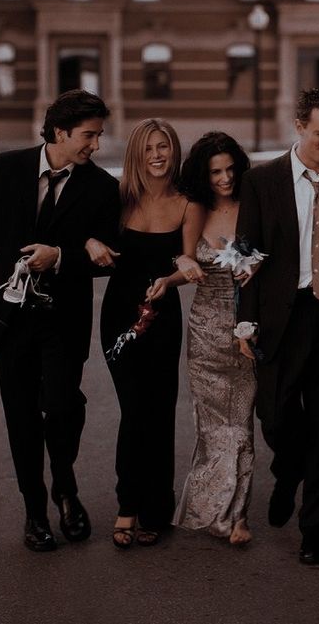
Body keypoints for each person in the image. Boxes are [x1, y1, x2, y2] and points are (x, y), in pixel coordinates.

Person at [0, 89, 120, 552]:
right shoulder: (8, 167)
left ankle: (65, 485)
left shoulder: (103, 188)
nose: (95, 145)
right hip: (11, 319)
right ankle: (35, 511)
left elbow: (109, 259)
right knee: (22, 416)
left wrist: (64, 255)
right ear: (60, 131)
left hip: (64, 320)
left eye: (99, 136)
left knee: (65, 406)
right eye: (89, 136)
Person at [236, 87, 319, 566]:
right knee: (277, 415)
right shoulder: (261, 180)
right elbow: (244, 250)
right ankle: (289, 471)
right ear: (300, 126)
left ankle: (316, 530)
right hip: (282, 315)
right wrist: (244, 318)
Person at [90, 118, 204, 549]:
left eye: (165, 147)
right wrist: (88, 244)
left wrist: (173, 279)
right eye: (150, 149)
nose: (158, 156)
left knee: (158, 411)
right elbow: (85, 235)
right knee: (135, 409)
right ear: (137, 154)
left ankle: (156, 507)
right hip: (120, 317)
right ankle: (127, 505)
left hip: (162, 316)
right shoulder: (117, 199)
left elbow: (187, 262)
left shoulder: (187, 204)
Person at [172, 132, 256, 545]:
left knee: (241, 424)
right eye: (215, 172)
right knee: (212, 426)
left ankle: (237, 515)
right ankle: (214, 510)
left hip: (247, 327)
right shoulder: (195, 209)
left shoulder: (254, 204)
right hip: (204, 328)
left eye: (229, 169)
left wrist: (257, 271)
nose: (224, 179)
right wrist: (181, 261)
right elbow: (185, 261)